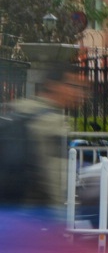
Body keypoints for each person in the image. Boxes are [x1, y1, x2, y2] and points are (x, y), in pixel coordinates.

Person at [0, 65, 88, 221]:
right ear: (53, 85)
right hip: (33, 216)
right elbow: (53, 177)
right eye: (73, 86)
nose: (79, 93)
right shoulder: (52, 121)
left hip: (9, 209)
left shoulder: (20, 108)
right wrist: (59, 220)